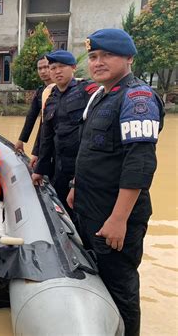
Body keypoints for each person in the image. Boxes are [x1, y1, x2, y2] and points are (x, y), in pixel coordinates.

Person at [67, 29, 164, 336]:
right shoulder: (100, 95)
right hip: (90, 207)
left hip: (115, 215)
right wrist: (74, 186)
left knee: (120, 287)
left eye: (107, 55)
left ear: (129, 59)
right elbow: (89, 150)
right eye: (93, 56)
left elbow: (140, 162)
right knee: (99, 277)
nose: (98, 62)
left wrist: (119, 219)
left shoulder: (138, 98)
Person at [31, 50, 98, 221]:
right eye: (53, 68)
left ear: (73, 68)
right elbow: (46, 137)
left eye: (61, 67)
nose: (56, 71)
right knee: (62, 210)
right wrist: (39, 169)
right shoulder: (51, 98)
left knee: (83, 213)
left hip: (82, 167)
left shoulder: (87, 92)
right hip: (59, 166)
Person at [14, 54, 54, 170]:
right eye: (40, 68)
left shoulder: (60, 90)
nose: (43, 71)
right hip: (45, 139)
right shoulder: (40, 92)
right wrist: (21, 140)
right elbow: (31, 117)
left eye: (46, 67)